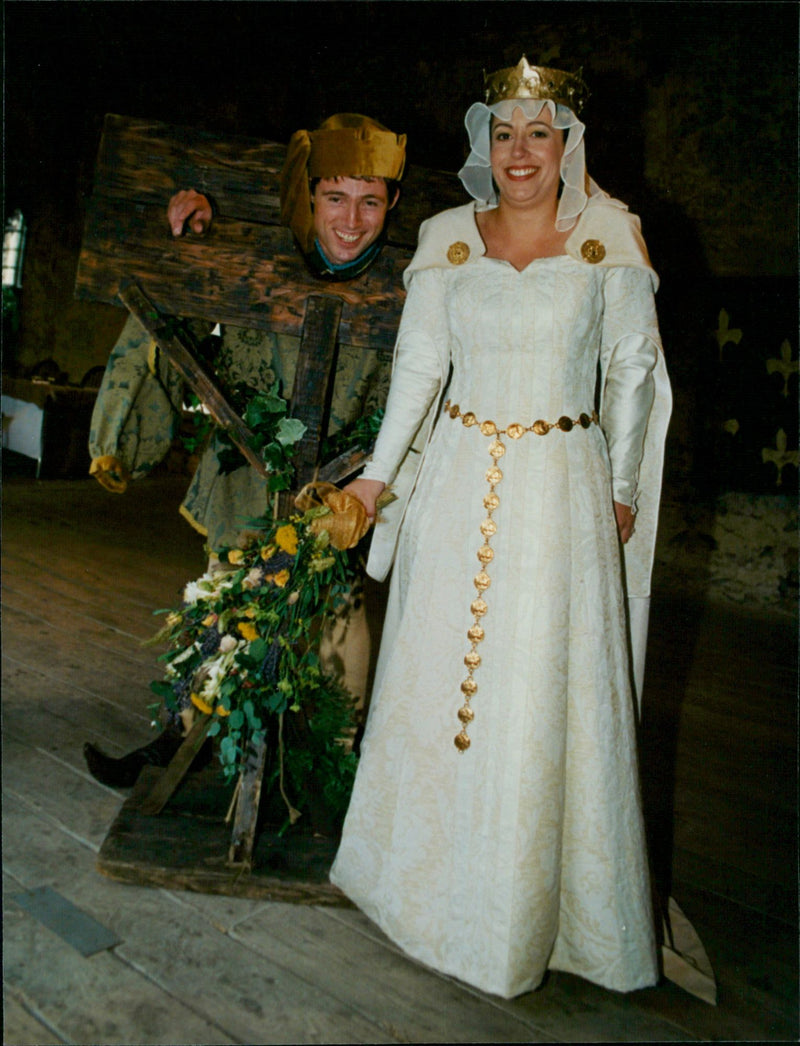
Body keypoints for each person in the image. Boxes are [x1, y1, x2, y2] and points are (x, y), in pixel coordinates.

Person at [329, 57, 672, 999]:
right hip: (458, 480)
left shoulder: (611, 237)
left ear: (570, 144)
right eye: (506, 132)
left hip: (561, 492)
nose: (521, 152)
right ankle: (419, 893)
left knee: (535, 695)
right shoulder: (444, 237)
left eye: (541, 132)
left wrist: (624, 488)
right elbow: (419, 368)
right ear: (486, 141)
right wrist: (374, 480)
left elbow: (634, 371)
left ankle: (524, 917)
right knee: (439, 683)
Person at [84, 114, 406, 787]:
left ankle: (336, 761)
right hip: (250, 469)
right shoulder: (260, 253)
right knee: (224, 605)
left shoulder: (418, 276)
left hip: (347, 481)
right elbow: (176, 315)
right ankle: (182, 739)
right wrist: (196, 238)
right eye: (335, 198)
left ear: (394, 205)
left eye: (370, 200)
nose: (351, 221)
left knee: (335, 618)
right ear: (307, 198)